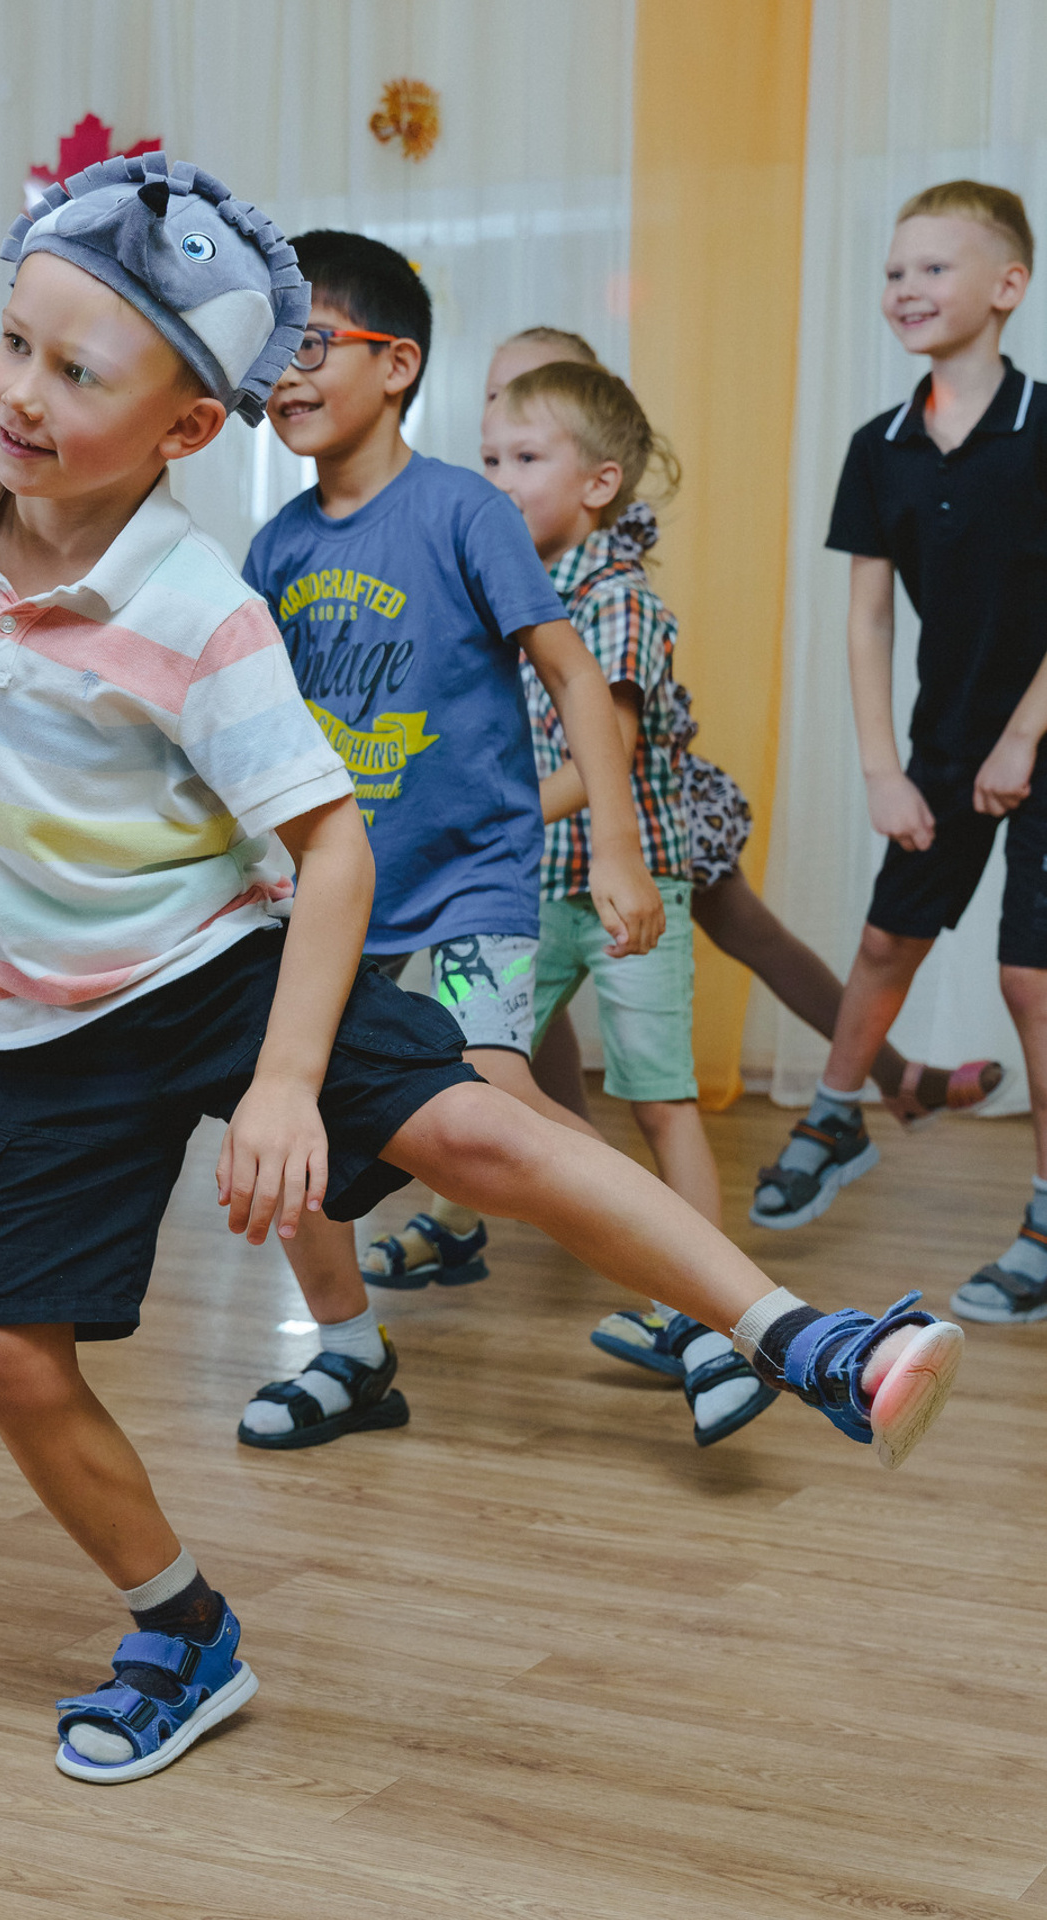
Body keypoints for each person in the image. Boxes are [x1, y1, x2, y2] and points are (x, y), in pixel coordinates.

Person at [0, 154, 963, 1786]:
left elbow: (333, 851)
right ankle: (180, 1626)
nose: (23, 398)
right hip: (41, 1025)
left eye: (79, 372)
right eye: (17, 348)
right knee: (1, 1358)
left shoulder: (203, 607)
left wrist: (278, 1085)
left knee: (475, 1120)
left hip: (221, 964)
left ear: (190, 431)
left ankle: (801, 1340)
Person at [232, 230, 669, 1448]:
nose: (289, 373)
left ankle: (695, 1299)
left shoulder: (464, 510)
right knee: (284, 1095)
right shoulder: (277, 548)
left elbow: (580, 683)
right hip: (337, 892)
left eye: (314, 341)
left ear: (399, 362)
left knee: (496, 1091)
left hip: (473, 880)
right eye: (273, 352)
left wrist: (620, 854)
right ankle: (348, 1349)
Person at [484, 327, 1002, 1141]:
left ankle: (896, 1075)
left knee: (740, 930)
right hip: (553, 782)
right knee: (529, 985)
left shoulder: (591, 541)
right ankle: (564, 1162)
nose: (505, 435)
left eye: (533, 411)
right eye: (495, 403)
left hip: (634, 786)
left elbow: (605, 682)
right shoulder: (505, 512)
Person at [749, 182, 1047, 1327]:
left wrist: (1025, 736)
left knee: (1032, 979)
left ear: (1006, 289)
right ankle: (834, 1117)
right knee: (886, 939)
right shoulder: (879, 448)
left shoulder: (1040, 431)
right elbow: (869, 617)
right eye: (893, 272)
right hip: (947, 739)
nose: (906, 289)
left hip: (1040, 730)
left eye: (934, 268)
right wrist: (882, 764)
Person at [484, 360, 777, 1442]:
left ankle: (713, 1312)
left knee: (662, 1102)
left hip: (624, 884)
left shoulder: (615, 599)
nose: (499, 478)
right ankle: (662, 1276)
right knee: (474, 1077)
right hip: (517, 888)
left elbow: (599, 748)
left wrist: (483, 821)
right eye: (490, 459)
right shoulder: (502, 578)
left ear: (599, 483)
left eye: (526, 459)